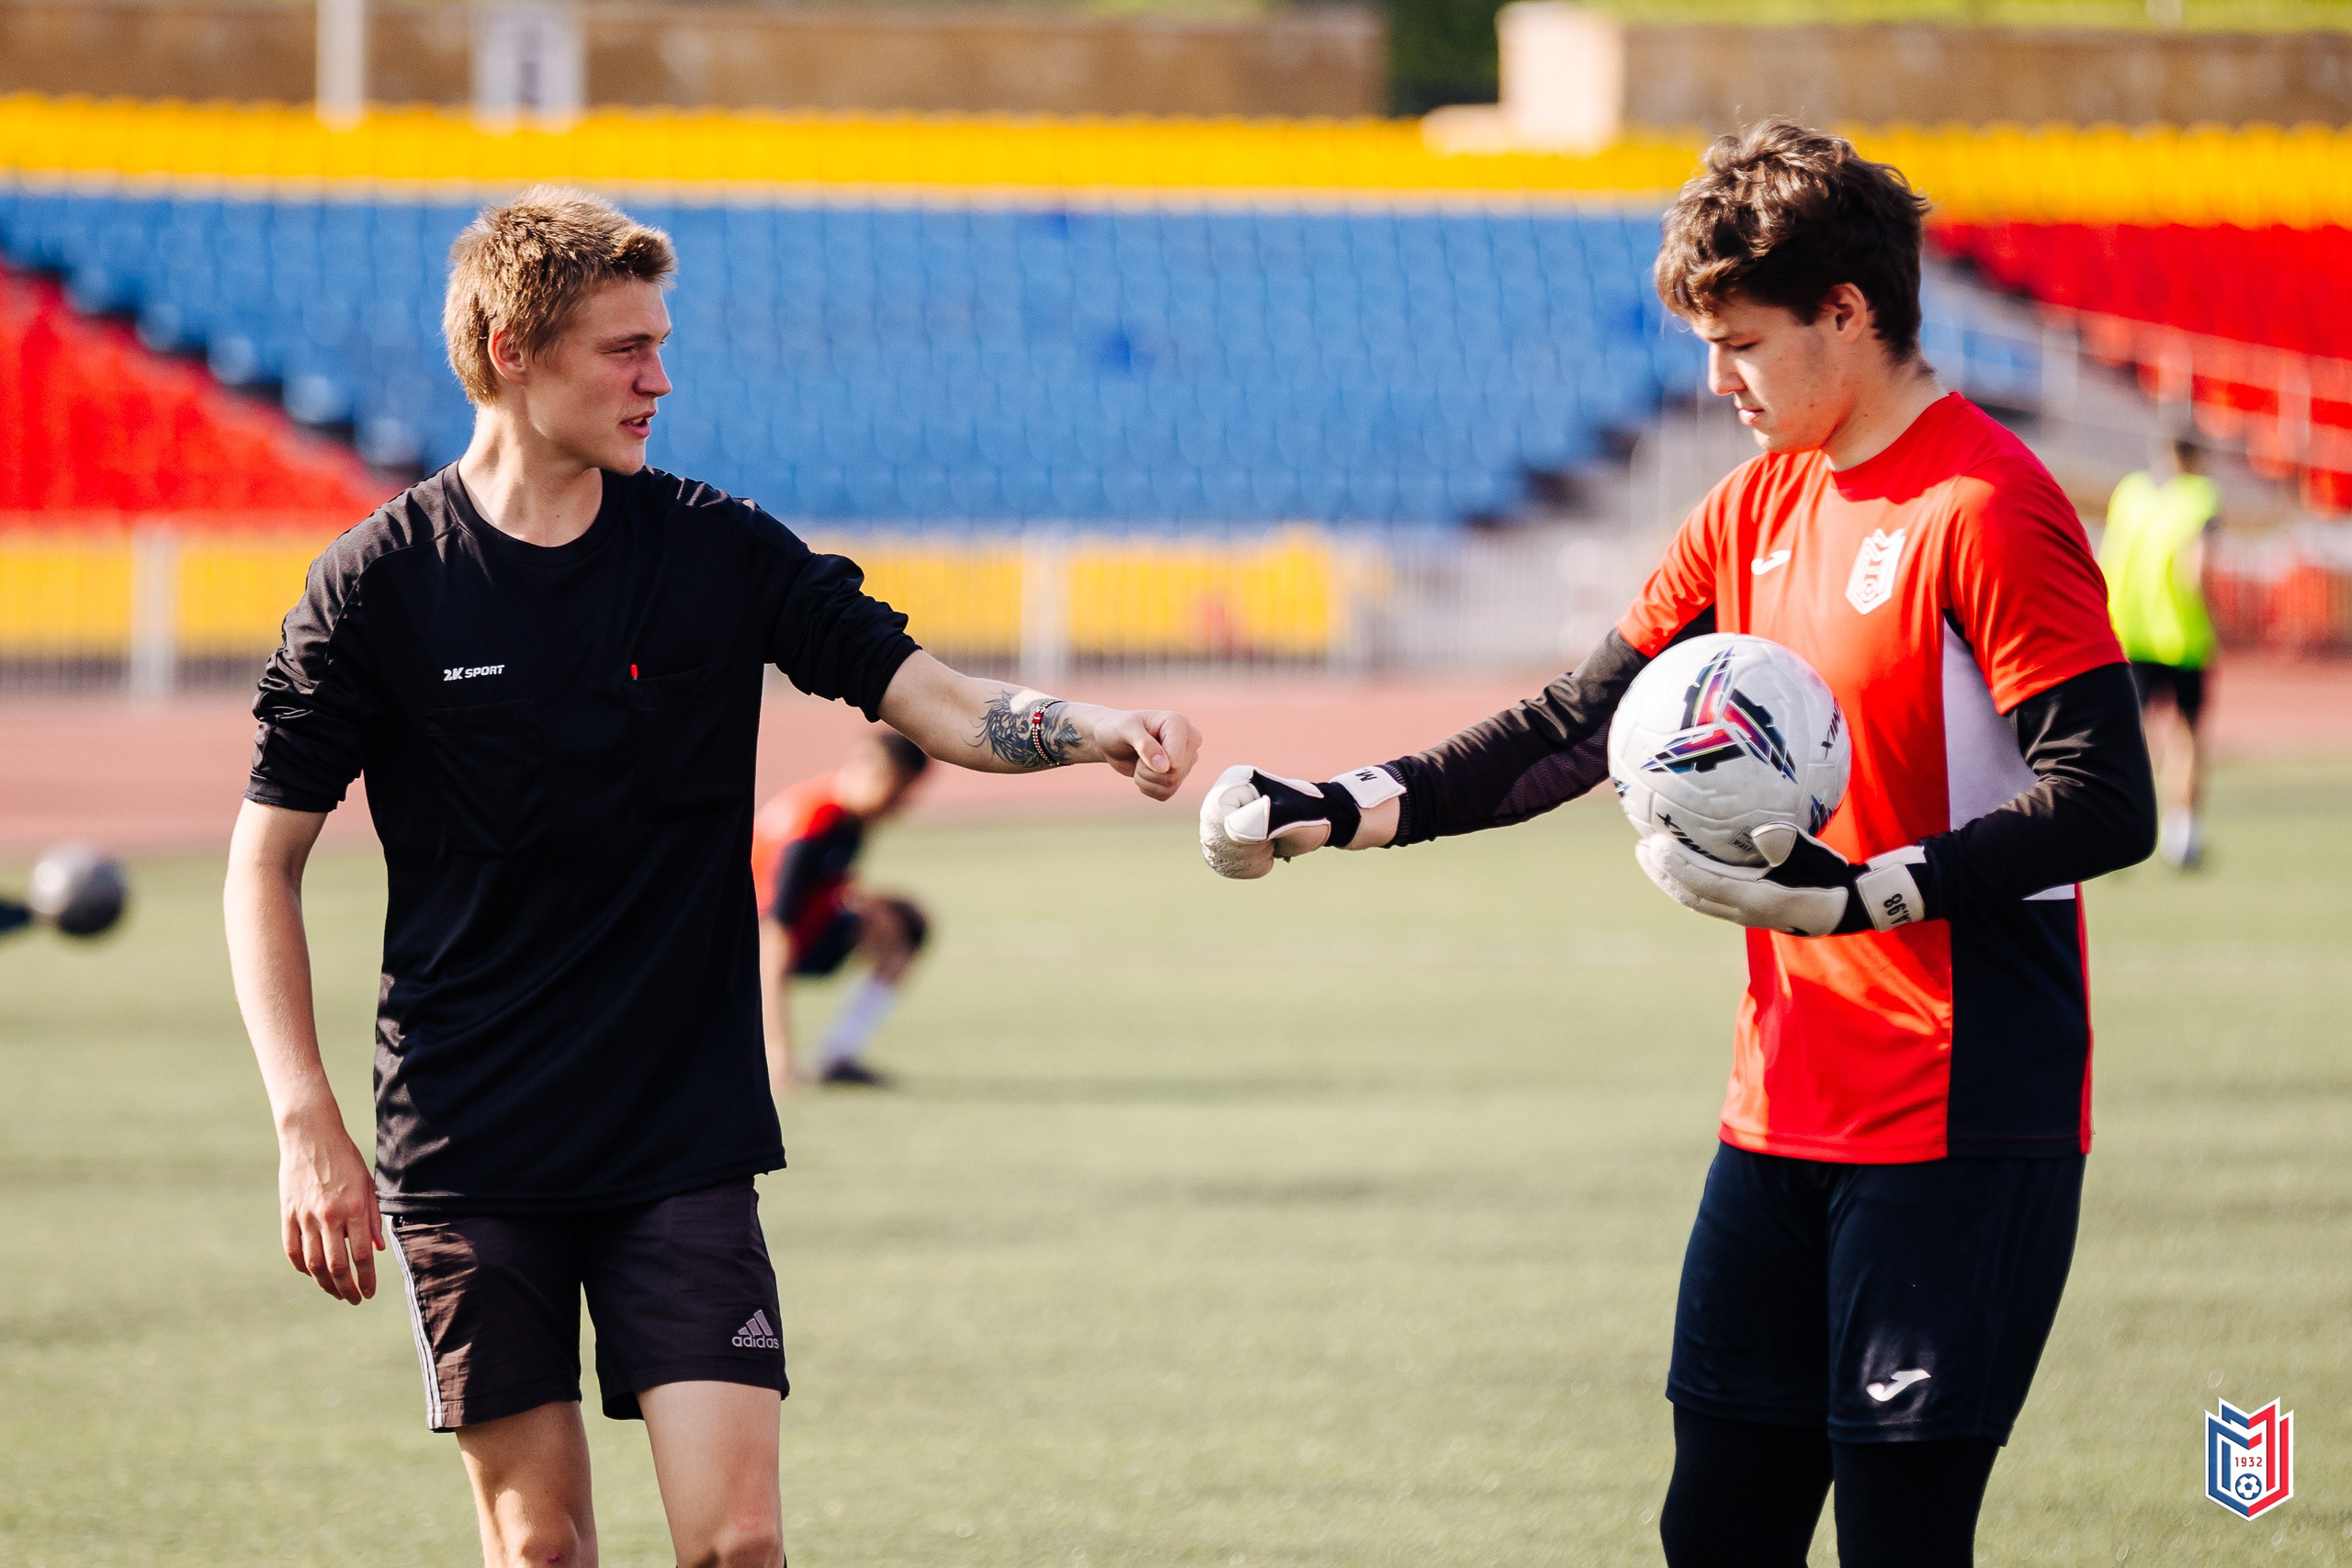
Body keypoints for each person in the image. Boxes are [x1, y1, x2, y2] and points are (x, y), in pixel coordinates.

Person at [1198, 120, 2154, 1568]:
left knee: (1901, 1538)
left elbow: (2106, 794)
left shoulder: (1988, 506)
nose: (1716, 381)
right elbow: (1576, 724)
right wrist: (1342, 803)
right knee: (1716, 1525)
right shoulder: (1755, 502)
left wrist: (1872, 895)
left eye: (1742, 341)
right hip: (1779, 1109)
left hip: (1963, 1120)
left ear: (1849, 312)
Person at [221, 186, 1200, 1568]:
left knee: (739, 1541)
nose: (658, 377)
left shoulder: (715, 546)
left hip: (677, 1126)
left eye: (660, 342)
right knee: (541, 1548)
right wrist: (302, 1117)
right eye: (624, 347)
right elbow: (262, 863)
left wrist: (1092, 729)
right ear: (511, 349)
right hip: (467, 1132)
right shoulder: (375, 586)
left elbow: (923, 696)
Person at [752, 728, 933, 1090]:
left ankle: (839, 1055)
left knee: (904, 927)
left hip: (801, 930)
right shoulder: (812, 824)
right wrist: (779, 1056)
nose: (900, 805)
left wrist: (864, 902)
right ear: (877, 774)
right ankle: (772, 1059)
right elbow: (773, 930)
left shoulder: (849, 817)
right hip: (741, 948)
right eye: (899, 793)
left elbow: (825, 882)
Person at [2099, 434, 2220, 868]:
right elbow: (2196, 569)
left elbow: (2107, 556)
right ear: (2194, 456)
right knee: (2187, 734)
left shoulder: (2130, 495)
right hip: (2183, 635)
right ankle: (2181, 835)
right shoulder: (2200, 497)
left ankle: (2118, 825)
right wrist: (2215, 620)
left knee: (2135, 734)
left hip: (2128, 631)